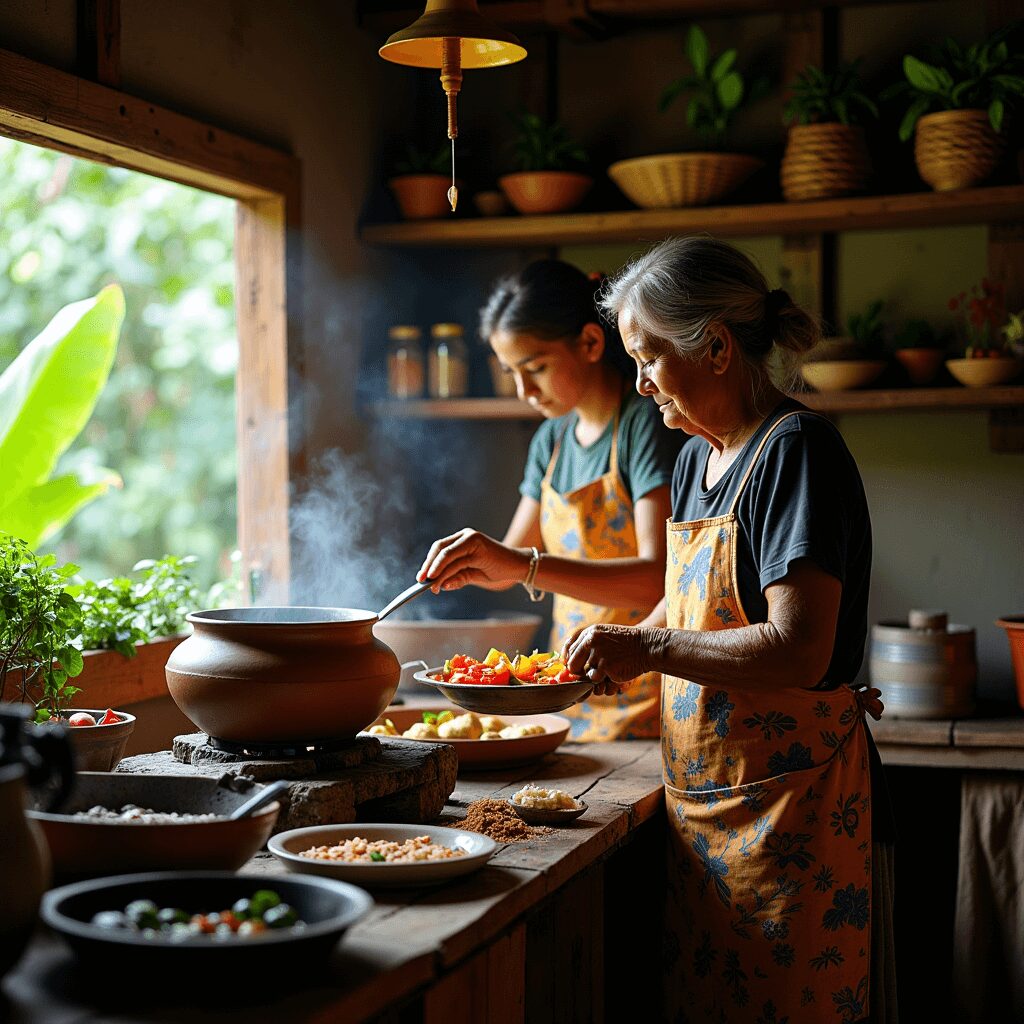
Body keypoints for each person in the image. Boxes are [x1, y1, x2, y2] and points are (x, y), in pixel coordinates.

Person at [560, 236, 897, 1023]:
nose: (638, 384)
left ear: (714, 348)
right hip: (708, 810)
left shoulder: (796, 452)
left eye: (647, 359)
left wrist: (642, 648)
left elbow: (798, 647)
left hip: (796, 814)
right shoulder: (695, 459)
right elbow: (685, 611)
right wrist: (609, 650)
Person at [417, 258, 681, 740]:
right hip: (569, 684)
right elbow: (511, 557)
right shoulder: (551, 441)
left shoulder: (646, 425)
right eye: (510, 372)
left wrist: (522, 565)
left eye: (535, 367)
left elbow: (655, 579)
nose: (524, 390)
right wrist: (469, 562)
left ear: (590, 343)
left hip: (646, 694)